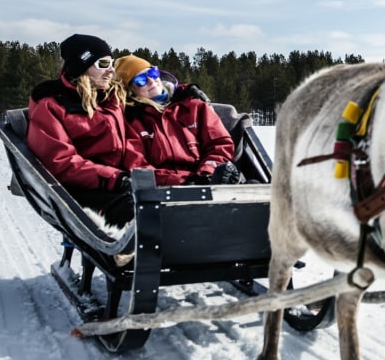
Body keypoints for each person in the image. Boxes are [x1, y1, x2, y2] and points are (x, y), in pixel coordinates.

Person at [27, 34, 148, 227]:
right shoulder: (53, 105)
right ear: (80, 67)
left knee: (168, 204)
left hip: (120, 183)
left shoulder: (111, 96)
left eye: (112, 64)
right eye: (102, 64)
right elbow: (61, 162)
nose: (110, 71)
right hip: (82, 191)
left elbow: (151, 87)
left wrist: (181, 92)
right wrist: (114, 179)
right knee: (143, 212)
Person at [114, 54, 241, 186]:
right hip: (162, 190)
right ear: (130, 90)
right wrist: (184, 181)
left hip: (206, 181)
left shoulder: (194, 106)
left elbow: (219, 145)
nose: (151, 81)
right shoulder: (131, 120)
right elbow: (138, 165)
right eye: (141, 80)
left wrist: (207, 174)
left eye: (152, 73)